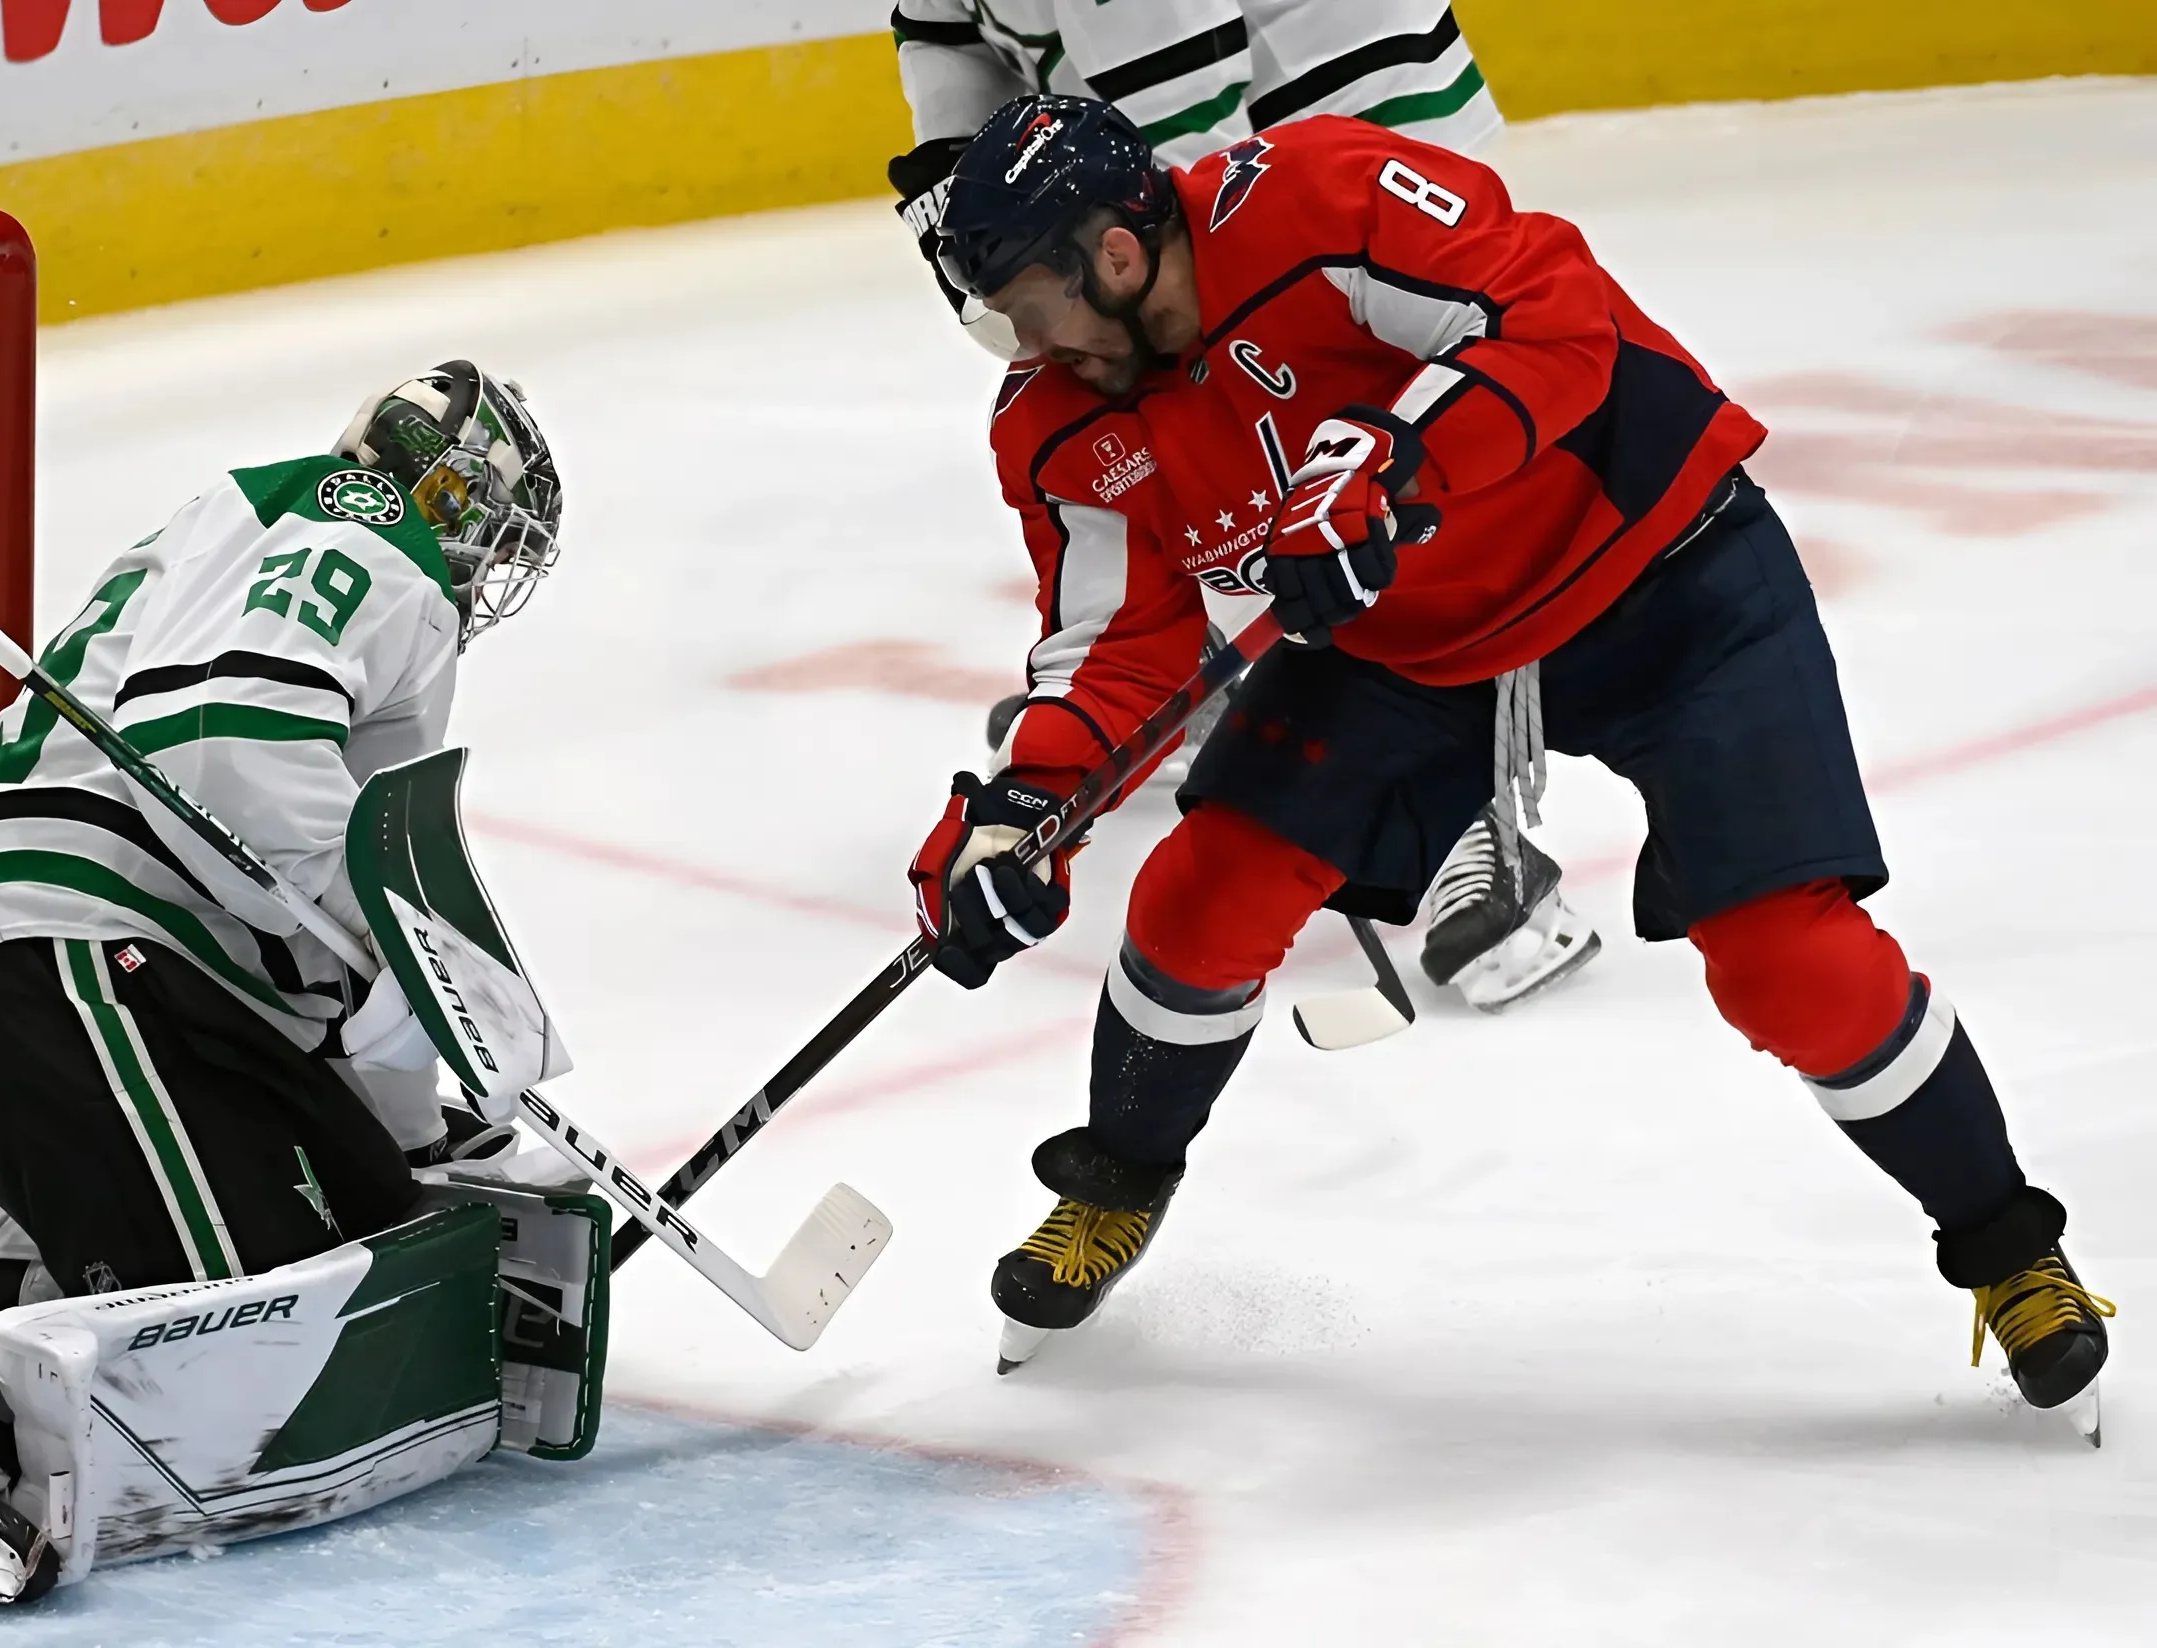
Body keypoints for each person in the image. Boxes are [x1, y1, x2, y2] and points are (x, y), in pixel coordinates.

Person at [908, 95, 2114, 1432]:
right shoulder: (1062, 424)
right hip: (1403, 643)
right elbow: (1115, 651)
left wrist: (1395, 452)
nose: (1023, 344)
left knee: (1793, 966)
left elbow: (1550, 307)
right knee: (1204, 894)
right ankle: (1117, 1181)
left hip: (1663, 569)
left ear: (1116, 257)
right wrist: (1019, 816)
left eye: (1028, 302)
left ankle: (2011, 1249)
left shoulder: (1317, 198)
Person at [0, 363, 572, 1600]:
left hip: (36, 978)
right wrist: (405, 967)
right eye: (494, 524)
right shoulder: (368, 534)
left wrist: (412, 1119)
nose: (488, 562)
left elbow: (272, 866)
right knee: (264, 1325)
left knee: (361, 1211)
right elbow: (222, 744)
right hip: (58, 970)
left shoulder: (242, 524)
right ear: (450, 487)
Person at [890, 3, 1598, 1010]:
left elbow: (1205, 227)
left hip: (1332, 131)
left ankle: (1452, 799)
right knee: (1203, 442)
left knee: (1360, 473)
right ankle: (1245, 676)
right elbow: (944, 27)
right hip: (1153, 168)